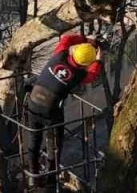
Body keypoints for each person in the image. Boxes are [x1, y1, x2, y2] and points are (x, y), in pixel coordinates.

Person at [24, 33, 102, 182]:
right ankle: (51, 180)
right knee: (54, 144)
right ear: (85, 63)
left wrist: (86, 39)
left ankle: (33, 174)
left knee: (34, 139)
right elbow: (93, 73)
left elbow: (67, 38)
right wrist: (99, 56)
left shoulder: (59, 55)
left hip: (33, 103)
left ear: (74, 52)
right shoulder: (79, 75)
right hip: (51, 111)